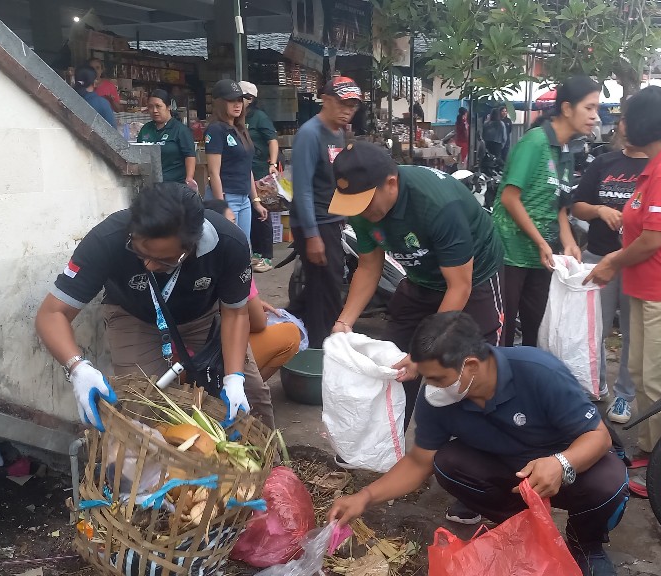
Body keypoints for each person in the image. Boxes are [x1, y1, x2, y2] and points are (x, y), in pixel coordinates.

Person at [327, 312, 629, 576]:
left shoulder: (537, 371)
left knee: (610, 483)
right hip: (509, 471)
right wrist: (364, 497)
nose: (430, 386)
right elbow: (420, 462)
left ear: (470, 365)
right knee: (447, 463)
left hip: (562, 465)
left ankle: (585, 544)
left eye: (437, 378)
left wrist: (562, 463)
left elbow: (599, 437)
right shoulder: (439, 398)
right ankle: (518, 532)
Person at [328, 142, 504, 524]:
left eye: (363, 202)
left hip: (473, 281)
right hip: (422, 280)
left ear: (391, 183)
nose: (359, 211)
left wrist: (427, 356)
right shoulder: (363, 204)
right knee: (396, 362)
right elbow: (369, 267)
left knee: (467, 378)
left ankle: (477, 485)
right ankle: (388, 459)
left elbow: (459, 285)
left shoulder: (437, 204)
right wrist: (344, 322)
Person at [33, 183, 274, 430]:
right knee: (141, 406)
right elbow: (51, 314)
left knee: (250, 397)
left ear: (191, 245)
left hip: (202, 316)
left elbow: (235, 313)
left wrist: (234, 378)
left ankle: (271, 466)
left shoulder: (228, 242)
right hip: (133, 316)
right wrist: (78, 369)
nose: (148, 265)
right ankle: (171, 467)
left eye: (164, 260)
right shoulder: (107, 238)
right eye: (139, 252)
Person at [584, 86, 661, 471]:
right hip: (647, 287)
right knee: (641, 375)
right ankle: (650, 452)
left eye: (626, 116)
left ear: (646, 122)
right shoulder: (655, 167)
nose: (620, 124)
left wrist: (611, 262)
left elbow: (654, 239)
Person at [494, 75, 598, 348]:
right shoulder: (535, 142)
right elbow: (509, 198)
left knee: (536, 327)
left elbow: (559, 208)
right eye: (589, 108)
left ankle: (529, 382)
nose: (594, 116)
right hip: (510, 251)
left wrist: (568, 243)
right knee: (502, 330)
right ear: (566, 108)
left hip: (543, 257)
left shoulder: (566, 151)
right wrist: (542, 242)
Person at [571, 116, 649, 423]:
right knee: (593, 330)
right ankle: (596, 386)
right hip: (597, 255)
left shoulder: (657, 166)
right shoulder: (604, 162)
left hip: (636, 261)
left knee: (632, 332)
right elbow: (577, 206)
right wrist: (599, 210)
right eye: (623, 121)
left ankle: (624, 396)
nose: (626, 127)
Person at [286, 76, 361, 348]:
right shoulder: (310, 134)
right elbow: (302, 189)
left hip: (334, 219)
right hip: (315, 221)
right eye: (343, 104)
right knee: (327, 291)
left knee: (322, 285)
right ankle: (322, 348)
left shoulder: (339, 132)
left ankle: (288, 325)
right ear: (326, 100)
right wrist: (311, 235)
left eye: (353, 106)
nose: (347, 111)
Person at [205, 80, 268, 239]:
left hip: (244, 198)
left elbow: (247, 168)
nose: (237, 104)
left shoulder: (240, 129)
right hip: (227, 196)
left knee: (243, 247)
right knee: (230, 246)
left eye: (240, 100)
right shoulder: (215, 129)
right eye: (231, 100)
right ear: (220, 103)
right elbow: (213, 172)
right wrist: (222, 207)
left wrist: (256, 200)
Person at [240, 81, 281, 273]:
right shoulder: (236, 118)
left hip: (259, 173)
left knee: (262, 214)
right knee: (249, 214)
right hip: (243, 173)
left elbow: (272, 141)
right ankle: (255, 252)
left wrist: (272, 164)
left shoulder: (259, 118)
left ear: (250, 99)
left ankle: (266, 256)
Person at [137, 89, 197, 186]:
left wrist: (189, 179)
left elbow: (190, 155)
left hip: (174, 185)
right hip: (150, 185)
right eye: (151, 107)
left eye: (158, 106)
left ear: (168, 107)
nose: (154, 111)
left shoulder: (180, 130)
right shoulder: (146, 129)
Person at [246, 279, 302, 381]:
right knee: (291, 333)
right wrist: (255, 308)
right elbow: (258, 324)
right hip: (219, 355)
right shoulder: (239, 268)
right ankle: (248, 389)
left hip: (212, 341)